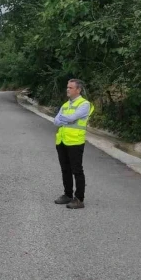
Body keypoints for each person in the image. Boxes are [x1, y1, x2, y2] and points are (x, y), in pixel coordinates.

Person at [53, 79, 94, 209]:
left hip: (75, 142)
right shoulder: (66, 105)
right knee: (65, 169)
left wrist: (64, 118)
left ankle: (79, 199)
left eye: (70, 87)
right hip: (62, 141)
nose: (67, 89)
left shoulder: (84, 104)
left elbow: (70, 118)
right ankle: (68, 195)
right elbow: (56, 121)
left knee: (77, 170)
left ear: (78, 90)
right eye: (67, 87)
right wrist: (65, 119)